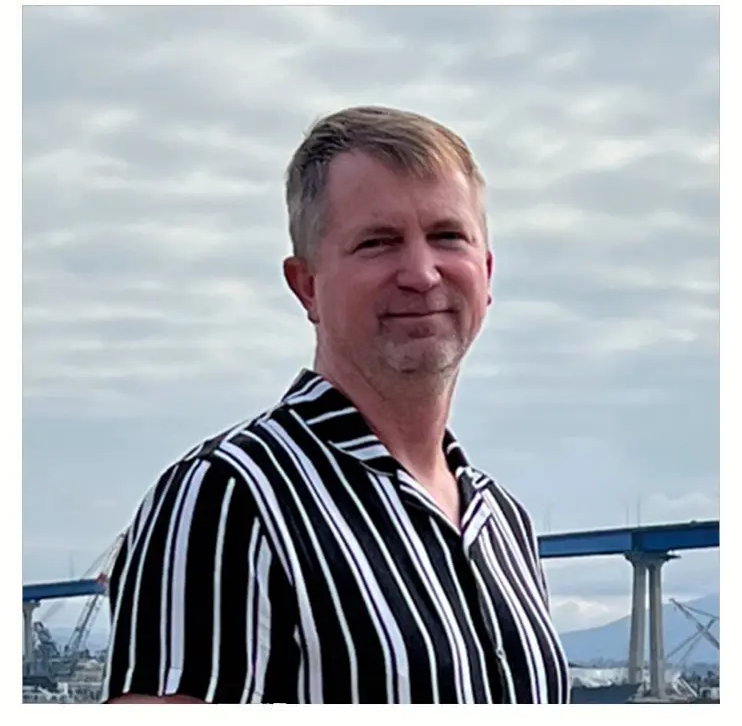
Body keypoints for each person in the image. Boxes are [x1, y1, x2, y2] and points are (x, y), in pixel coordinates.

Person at [102, 105, 570, 704]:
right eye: (378, 243)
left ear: (486, 270)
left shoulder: (504, 524)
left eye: (447, 236)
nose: (422, 274)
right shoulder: (229, 499)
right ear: (307, 286)